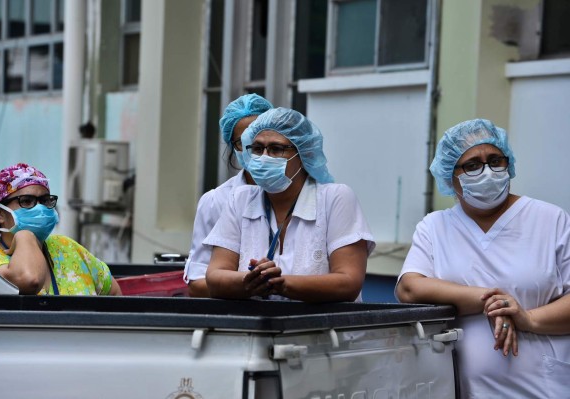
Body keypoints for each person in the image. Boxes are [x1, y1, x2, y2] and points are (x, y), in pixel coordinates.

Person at [396, 119, 570, 397]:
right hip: (464, 389)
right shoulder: (435, 226)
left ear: (508, 163)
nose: (487, 171)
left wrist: (528, 319)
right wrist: (488, 300)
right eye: (472, 165)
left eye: (495, 160)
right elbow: (409, 288)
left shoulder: (550, 219)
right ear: (449, 176)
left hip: (541, 388)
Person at [204, 107, 375, 302]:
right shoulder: (240, 199)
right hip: (256, 328)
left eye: (276, 149)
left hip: (323, 329)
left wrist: (281, 283)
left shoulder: (335, 198)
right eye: (258, 149)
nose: (264, 157)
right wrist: (251, 280)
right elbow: (215, 277)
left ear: (303, 153)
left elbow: (348, 282)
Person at [0, 162, 122, 296]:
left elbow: (113, 291)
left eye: (45, 201)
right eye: (27, 201)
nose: (40, 208)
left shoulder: (68, 248)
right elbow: (30, 279)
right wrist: (26, 237)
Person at [183, 93, 273, 297]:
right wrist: (248, 287)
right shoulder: (216, 201)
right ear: (233, 147)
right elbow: (197, 282)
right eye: (244, 141)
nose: (257, 149)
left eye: (260, 138)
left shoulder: (306, 195)